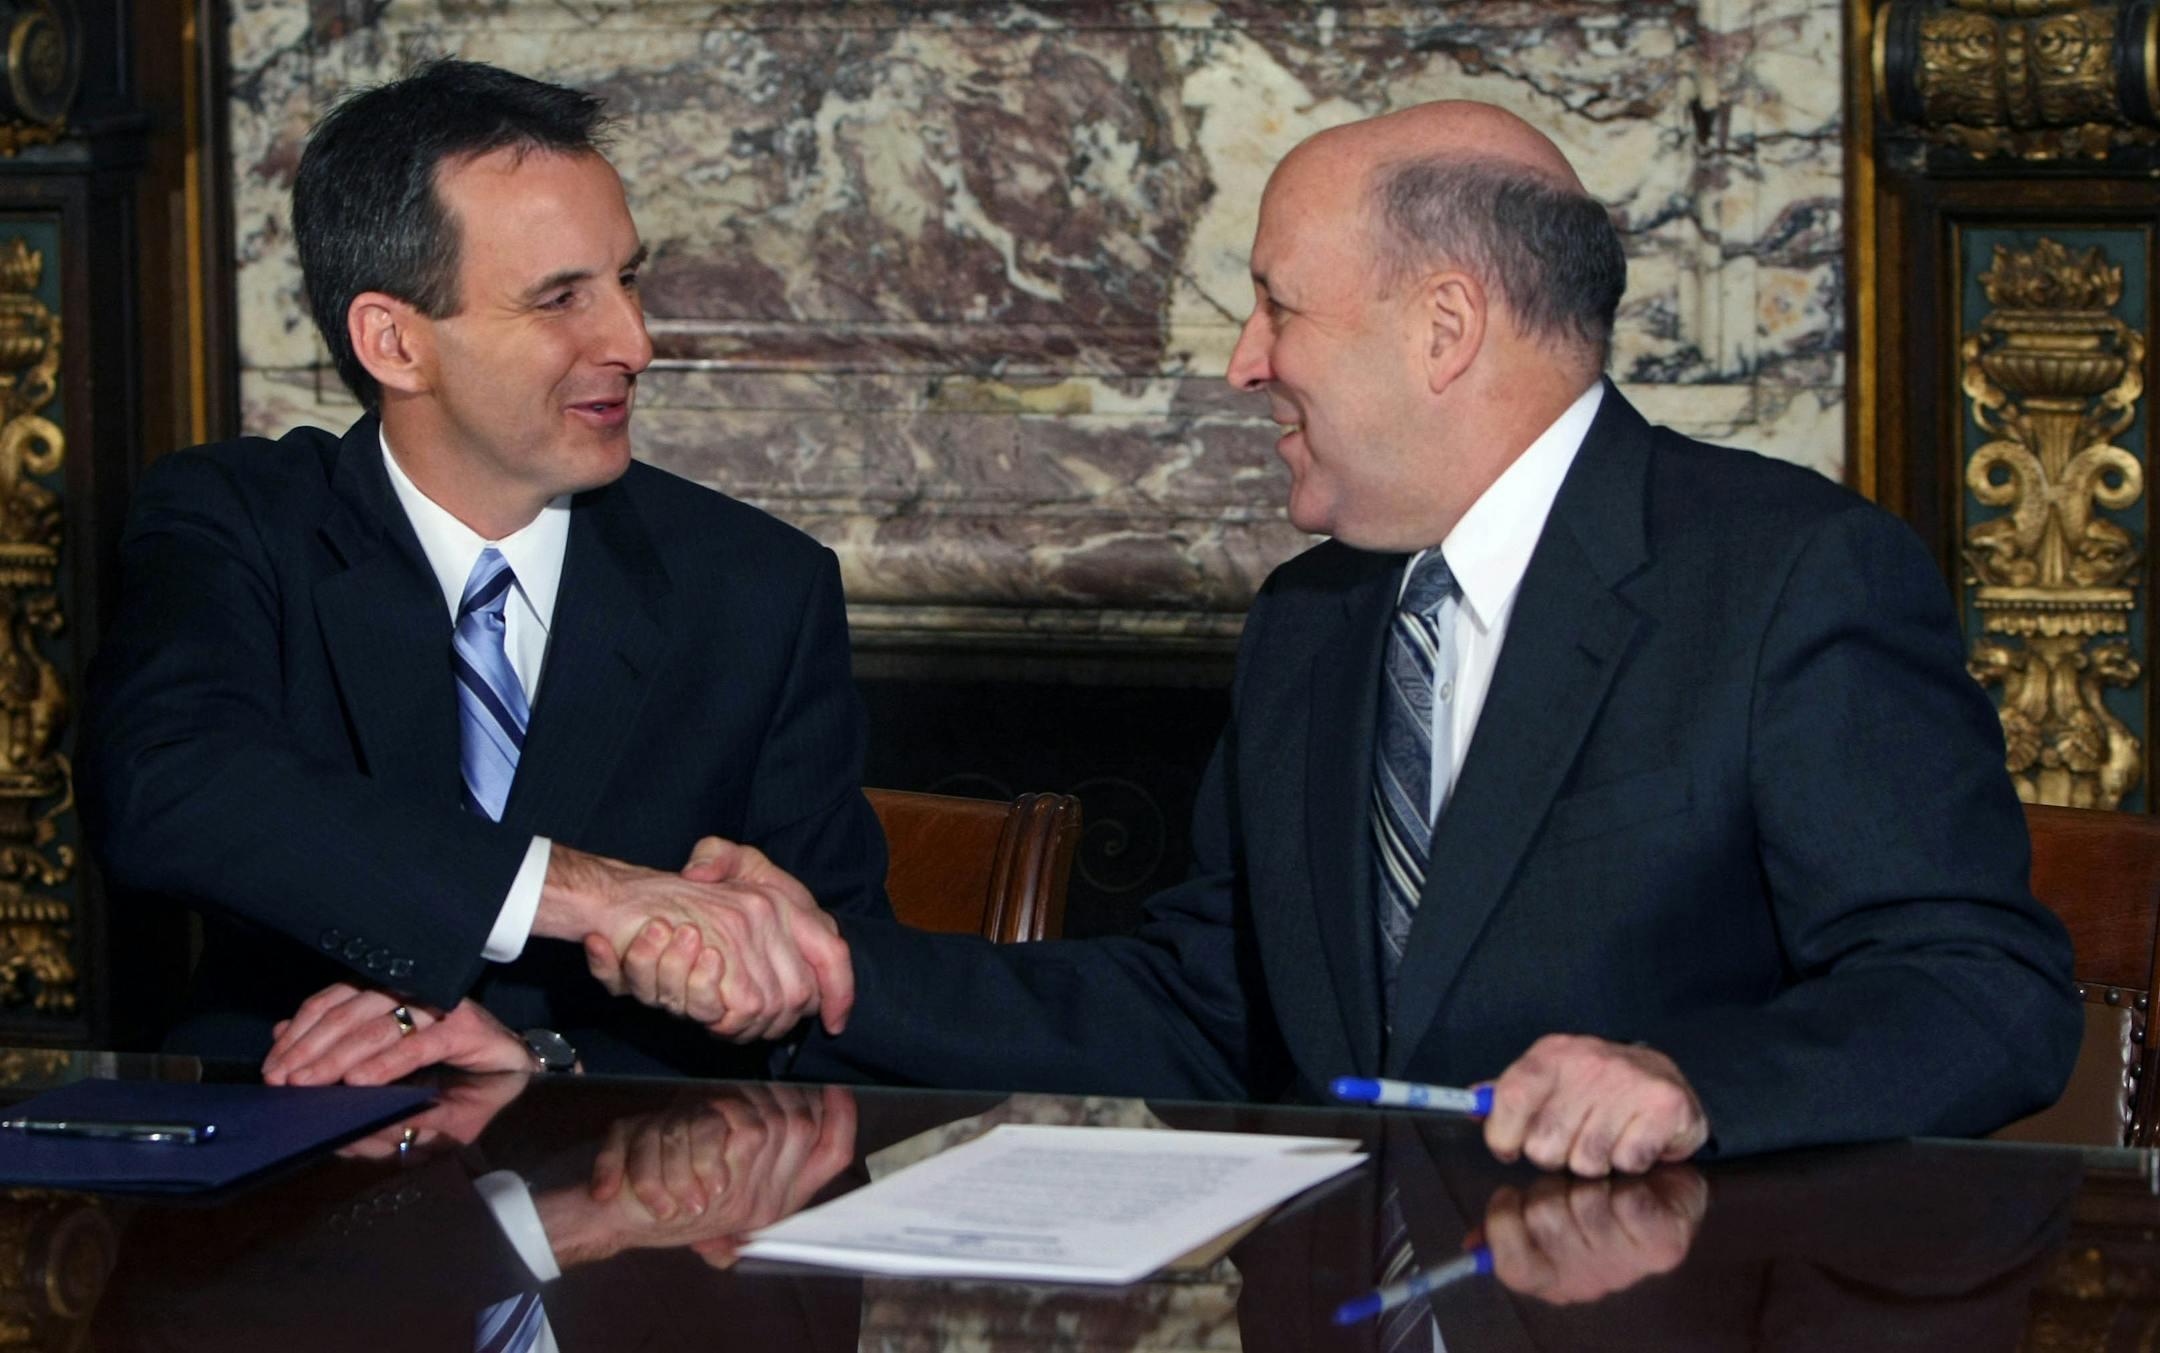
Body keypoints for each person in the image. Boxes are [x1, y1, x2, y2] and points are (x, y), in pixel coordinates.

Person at [315, 98, 2082, 1174]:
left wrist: (1693, 1082)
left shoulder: (1787, 575)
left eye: (1274, 305)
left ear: (1446, 326)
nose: (1243, 362)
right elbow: (1195, 1007)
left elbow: (1984, 995)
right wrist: (841, 973)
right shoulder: (1315, 622)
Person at [79, 58, 888, 1078]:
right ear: (394, 342)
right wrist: (598, 894)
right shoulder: (241, 521)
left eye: (627, 278)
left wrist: (548, 1061)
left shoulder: (757, 589)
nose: (634, 340)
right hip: (283, 1185)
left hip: (624, 1201)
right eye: (560, 299)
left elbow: (841, 1000)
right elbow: (169, 788)